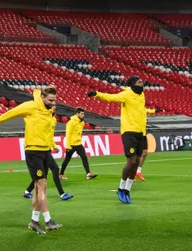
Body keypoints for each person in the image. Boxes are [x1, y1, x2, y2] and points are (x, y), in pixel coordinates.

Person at [0, 86, 62, 235]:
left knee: (39, 188)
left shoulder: (49, 111)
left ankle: (34, 221)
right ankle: (48, 220)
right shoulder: (31, 106)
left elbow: (47, 132)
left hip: (45, 151)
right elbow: (12, 113)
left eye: (55, 100)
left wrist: (52, 145)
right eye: (51, 100)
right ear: (43, 98)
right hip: (33, 151)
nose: (54, 103)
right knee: (42, 185)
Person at [88, 76, 147, 204]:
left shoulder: (142, 95)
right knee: (131, 161)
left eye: (142, 81)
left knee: (137, 162)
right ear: (132, 84)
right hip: (128, 131)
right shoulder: (126, 94)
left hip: (140, 132)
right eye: (139, 81)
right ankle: (121, 188)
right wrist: (97, 94)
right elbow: (111, 97)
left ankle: (127, 191)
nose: (142, 82)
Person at [59, 108, 97, 180]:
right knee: (67, 159)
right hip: (71, 144)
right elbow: (68, 134)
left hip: (78, 144)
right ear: (77, 113)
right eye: (82, 114)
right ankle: (61, 174)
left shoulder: (82, 122)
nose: (83, 115)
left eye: (83, 114)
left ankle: (88, 174)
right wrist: (68, 146)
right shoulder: (71, 122)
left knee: (84, 157)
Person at [134, 107, 157, 181]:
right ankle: (130, 173)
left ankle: (138, 171)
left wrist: (154, 111)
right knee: (133, 155)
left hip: (143, 134)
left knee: (144, 153)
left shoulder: (143, 109)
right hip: (133, 133)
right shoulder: (132, 109)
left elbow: (148, 110)